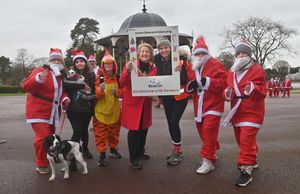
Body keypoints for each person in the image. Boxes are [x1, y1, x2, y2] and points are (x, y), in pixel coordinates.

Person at [223, 40, 266, 187]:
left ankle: (246, 170)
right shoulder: (231, 71)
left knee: (246, 138)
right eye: (239, 53)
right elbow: (228, 90)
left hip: (253, 109)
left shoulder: (257, 69)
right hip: (237, 110)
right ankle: (251, 159)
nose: (241, 55)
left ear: (249, 55)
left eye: (244, 53)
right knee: (241, 139)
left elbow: (262, 91)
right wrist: (227, 93)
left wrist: (253, 87)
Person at [22, 48, 70, 174]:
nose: (56, 61)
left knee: (51, 138)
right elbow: (26, 86)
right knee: (43, 137)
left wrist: (65, 98)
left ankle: (49, 159)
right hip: (38, 110)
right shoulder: (40, 70)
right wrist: (38, 78)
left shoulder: (60, 76)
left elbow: (61, 92)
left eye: (58, 59)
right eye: (53, 59)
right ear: (49, 60)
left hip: (53, 113)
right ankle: (41, 163)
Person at [186, 36, 227, 173]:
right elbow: (189, 84)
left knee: (208, 131)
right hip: (199, 106)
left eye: (202, 53)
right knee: (202, 131)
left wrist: (207, 81)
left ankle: (207, 160)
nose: (200, 56)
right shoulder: (193, 68)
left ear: (207, 53)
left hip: (213, 105)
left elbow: (223, 82)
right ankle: (212, 150)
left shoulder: (216, 64)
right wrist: (190, 86)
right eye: (197, 54)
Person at [154, 37, 191, 165]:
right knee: (170, 123)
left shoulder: (181, 60)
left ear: (171, 48)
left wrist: (181, 72)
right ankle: (176, 149)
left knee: (174, 122)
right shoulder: (157, 60)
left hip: (180, 96)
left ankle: (177, 152)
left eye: (166, 47)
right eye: (161, 48)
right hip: (167, 96)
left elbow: (185, 80)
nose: (164, 50)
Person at [120, 43, 156, 169]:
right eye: (142, 51)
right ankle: (133, 158)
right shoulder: (131, 65)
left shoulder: (153, 67)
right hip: (133, 103)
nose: (145, 53)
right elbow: (122, 83)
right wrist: (127, 72)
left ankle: (140, 151)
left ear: (151, 54)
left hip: (145, 103)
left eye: (147, 51)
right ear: (138, 54)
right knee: (134, 130)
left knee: (143, 128)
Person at [63, 49, 96, 171]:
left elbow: (92, 89)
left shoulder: (91, 74)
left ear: (85, 62)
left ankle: (85, 149)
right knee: (77, 131)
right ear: (75, 64)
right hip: (74, 108)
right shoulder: (70, 74)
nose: (80, 63)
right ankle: (72, 159)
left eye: (82, 61)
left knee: (84, 131)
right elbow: (66, 85)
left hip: (86, 108)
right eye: (77, 62)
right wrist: (82, 85)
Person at [93, 51, 122, 166]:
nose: (108, 66)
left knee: (114, 132)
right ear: (103, 65)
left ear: (114, 65)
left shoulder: (118, 78)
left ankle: (113, 150)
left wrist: (118, 92)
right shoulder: (99, 78)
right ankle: (102, 154)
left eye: (110, 64)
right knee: (100, 134)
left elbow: (124, 92)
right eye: (106, 64)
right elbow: (96, 94)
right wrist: (100, 90)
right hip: (101, 112)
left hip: (114, 111)